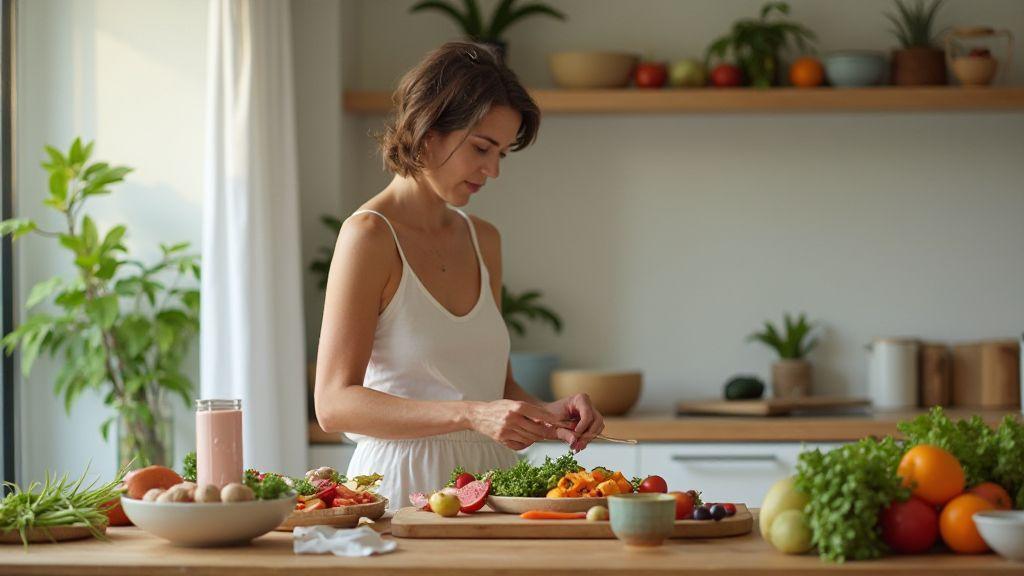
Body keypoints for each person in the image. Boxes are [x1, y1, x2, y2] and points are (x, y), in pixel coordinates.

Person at [313, 41, 605, 508]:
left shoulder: (483, 239)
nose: (492, 170)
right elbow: (333, 404)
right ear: (429, 130)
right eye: (481, 148)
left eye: (503, 154)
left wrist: (551, 415)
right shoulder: (369, 236)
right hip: (398, 490)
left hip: (497, 489)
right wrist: (472, 414)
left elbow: (497, 387)